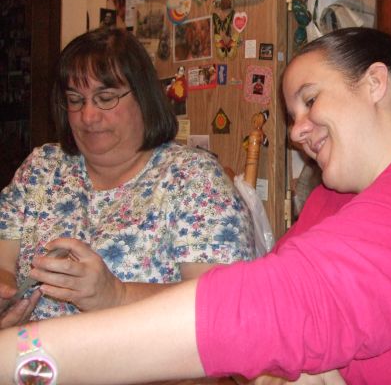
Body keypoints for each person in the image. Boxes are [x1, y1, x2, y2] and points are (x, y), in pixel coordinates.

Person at [0, 27, 391, 384]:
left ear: (375, 83)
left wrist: (20, 357)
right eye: (291, 115)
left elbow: (278, 311)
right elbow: (271, 323)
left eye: (310, 101)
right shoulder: (331, 202)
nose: (296, 131)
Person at [0, 27, 255, 329]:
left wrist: (117, 295)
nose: (88, 116)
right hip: (30, 354)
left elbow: (223, 307)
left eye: (106, 98)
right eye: (75, 100)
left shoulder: (195, 180)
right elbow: (4, 263)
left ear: (143, 98)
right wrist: (5, 296)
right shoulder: (42, 167)